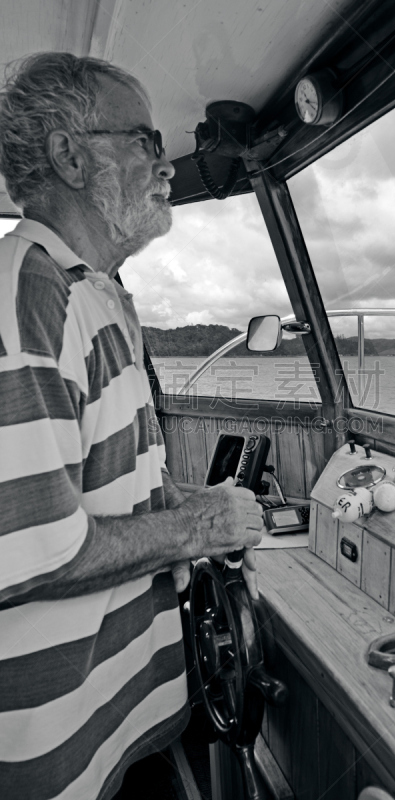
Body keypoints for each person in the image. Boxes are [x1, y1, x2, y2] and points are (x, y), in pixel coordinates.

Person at [0, 52, 263, 800]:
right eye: (147, 141)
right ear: (70, 157)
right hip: (58, 758)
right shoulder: (25, 298)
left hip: (123, 720)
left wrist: (188, 500)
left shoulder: (103, 291)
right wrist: (201, 529)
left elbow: (109, 488)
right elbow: (35, 553)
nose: (167, 163)